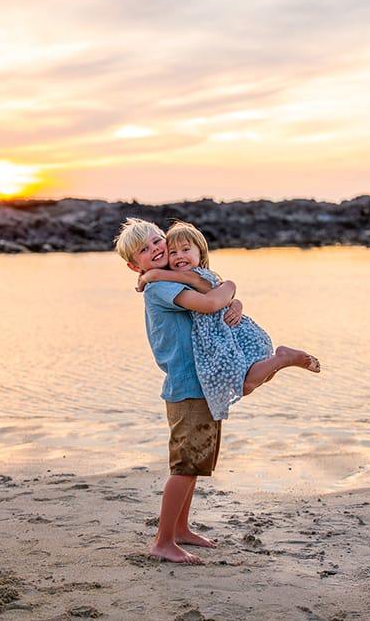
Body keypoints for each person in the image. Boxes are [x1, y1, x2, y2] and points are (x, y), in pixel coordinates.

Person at [115, 218, 241, 565]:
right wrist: (227, 290)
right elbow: (211, 301)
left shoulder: (164, 281)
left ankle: (181, 529)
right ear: (133, 265)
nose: (156, 249)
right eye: (145, 249)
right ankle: (163, 540)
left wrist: (234, 297)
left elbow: (212, 290)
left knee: (195, 462)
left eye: (158, 241)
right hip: (187, 387)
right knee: (184, 466)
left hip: (198, 384)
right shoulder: (159, 289)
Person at [137, 221, 320, 421]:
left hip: (225, 335)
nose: (179, 256)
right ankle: (281, 360)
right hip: (228, 334)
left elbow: (212, 300)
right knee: (257, 376)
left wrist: (150, 275)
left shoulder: (192, 276)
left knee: (244, 383)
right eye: (173, 253)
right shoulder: (193, 277)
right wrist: (235, 299)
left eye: (186, 250)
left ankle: (283, 358)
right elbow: (220, 294)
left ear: (201, 253)